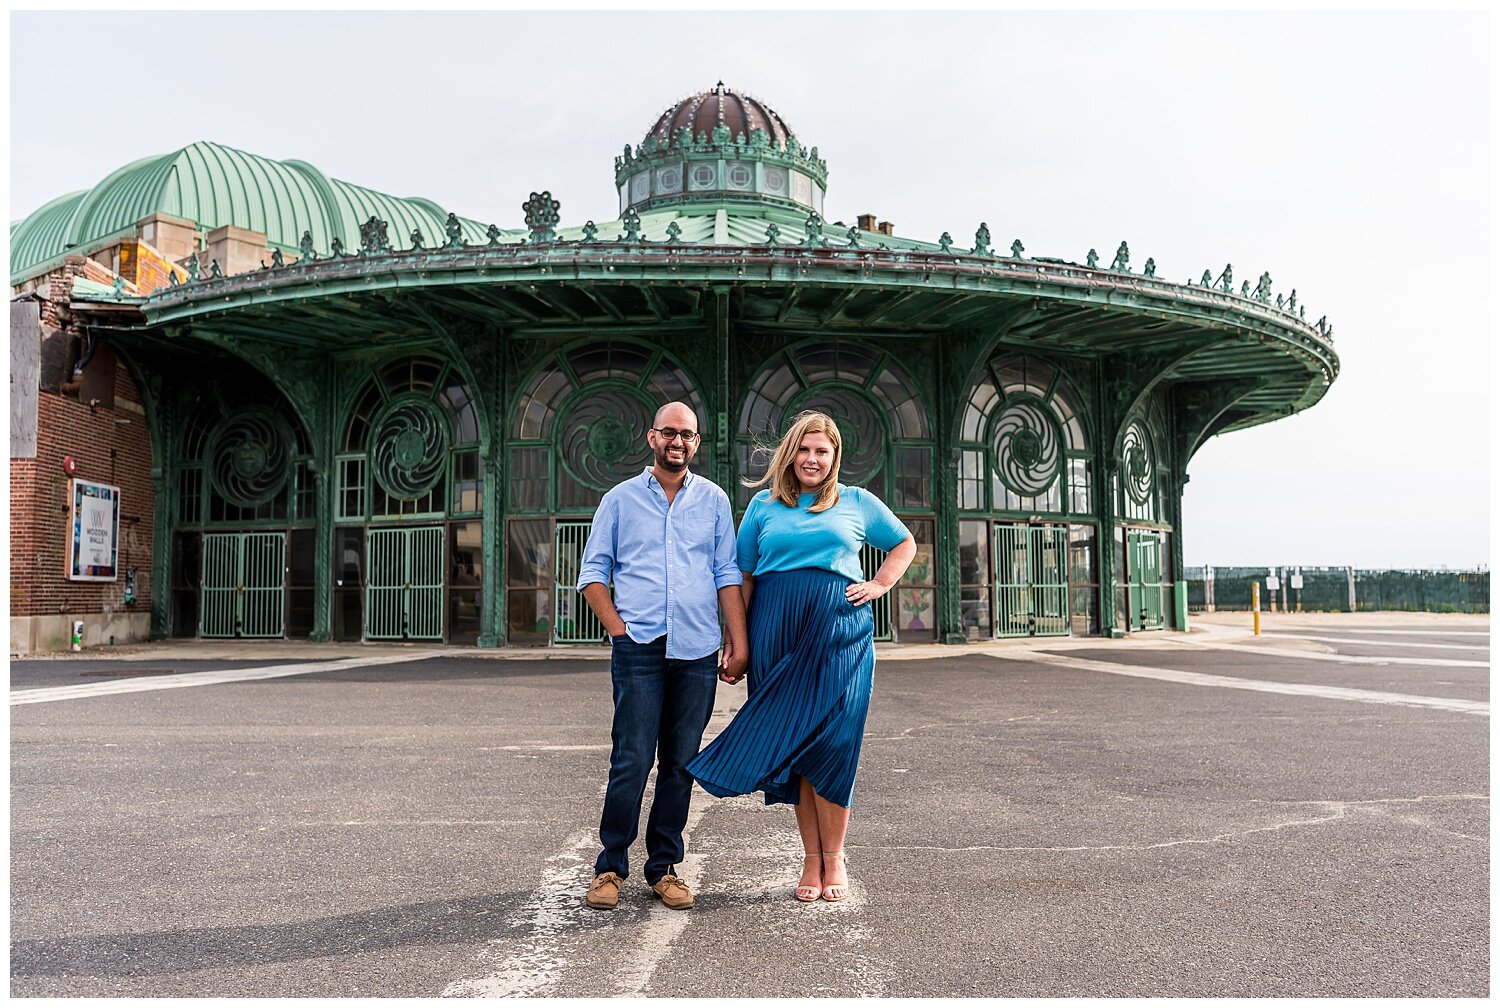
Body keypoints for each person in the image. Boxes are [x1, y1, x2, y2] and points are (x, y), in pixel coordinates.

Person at [687, 410, 915, 902]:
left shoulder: (856, 501)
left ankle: (835, 857)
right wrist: (738, 641)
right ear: (790, 454)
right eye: (804, 449)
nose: (812, 459)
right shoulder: (763, 507)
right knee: (798, 746)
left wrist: (879, 584)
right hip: (778, 632)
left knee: (834, 743)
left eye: (822, 451)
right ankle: (812, 860)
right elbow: (742, 577)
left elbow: (904, 543)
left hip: (840, 631)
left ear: (834, 459)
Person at [576, 401, 749, 912]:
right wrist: (620, 630)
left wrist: (738, 643)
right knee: (631, 759)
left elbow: (726, 574)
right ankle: (610, 867)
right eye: (669, 433)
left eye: (688, 435)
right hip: (640, 649)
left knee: (680, 763)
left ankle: (664, 867)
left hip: (696, 650)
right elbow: (592, 574)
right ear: (651, 437)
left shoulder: (714, 501)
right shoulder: (620, 500)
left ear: (697, 443)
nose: (678, 442)